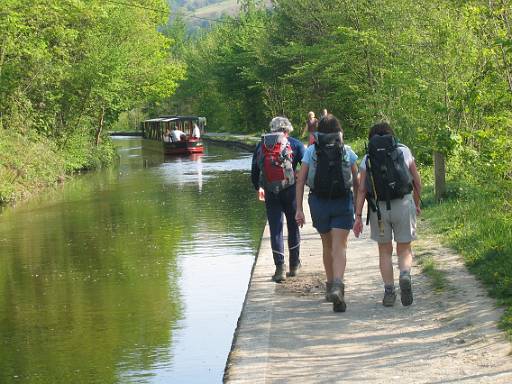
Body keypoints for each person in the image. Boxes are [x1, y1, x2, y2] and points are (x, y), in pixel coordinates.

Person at [353, 121, 422, 307]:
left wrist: (358, 216)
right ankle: (405, 275)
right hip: (403, 203)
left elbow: (361, 190)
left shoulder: (368, 157)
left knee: (384, 251)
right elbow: (417, 182)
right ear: (391, 135)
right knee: (404, 247)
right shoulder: (404, 151)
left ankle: (389, 291)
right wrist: (415, 204)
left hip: (379, 209)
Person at [295, 114, 359, 312]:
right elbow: (357, 181)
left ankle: (330, 285)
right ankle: (338, 285)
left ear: (318, 132)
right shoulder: (347, 151)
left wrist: (299, 209)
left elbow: (300, 180)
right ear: (339, 130)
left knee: (326, 245)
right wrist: (358, 210)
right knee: (340, 246)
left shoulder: (311, 151)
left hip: (319, 202)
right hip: (342, 201)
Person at [251, 117, 306, 283]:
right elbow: (305, 166)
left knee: (275, 229)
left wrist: (259, 187)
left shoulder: (261, 145)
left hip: (270, 191)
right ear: (287, 130)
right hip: (290, 190)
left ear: (272, 129)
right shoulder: (295, 144)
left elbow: (254, 171)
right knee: (293, 225)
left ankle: (279, 269)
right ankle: (294, 265)